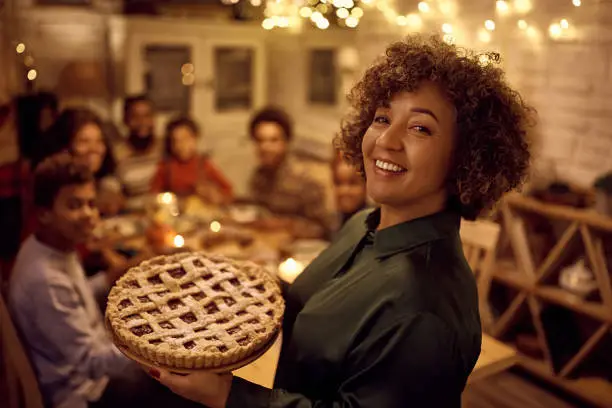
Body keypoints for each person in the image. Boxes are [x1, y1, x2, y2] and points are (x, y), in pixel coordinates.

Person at [146, 35, 533, 407]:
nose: (386, 140)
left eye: (420, 127)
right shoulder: (364, 224)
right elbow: (324, 299)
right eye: (382, 117)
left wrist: (225, 396)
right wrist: (243, 288)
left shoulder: (425, 309)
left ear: (466, 157)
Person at [8, 152, 201, 408]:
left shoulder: (54, 245)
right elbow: (92, 363)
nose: (89, 214)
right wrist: (160, 339)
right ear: (44, 213)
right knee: (196, 382)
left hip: (97, 361)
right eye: (74, 205)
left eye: (90, 203)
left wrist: (118, 271)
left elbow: (76, 297)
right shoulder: (44, 278)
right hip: (87, 393)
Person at [248, 107, 328, 239]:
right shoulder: (258, 177)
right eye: (260, 140)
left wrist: (283, 225)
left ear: (286, 142)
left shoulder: (306, 178)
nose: (265, 147)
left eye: (273, 140)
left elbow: (322, 229)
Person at [39, 107, 123, 216]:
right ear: (65, 146)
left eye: (99, 141)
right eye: (83, 141)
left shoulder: (100, 180)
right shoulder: (57, 187)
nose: (94, 149)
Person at [150, 116, 233, 203]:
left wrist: (216, 196)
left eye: (186, 139)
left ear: (195, 139)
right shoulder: (166, 166)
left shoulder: (203, 164)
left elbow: (228, 191)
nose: (181, 145)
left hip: (200, 213)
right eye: (175, 141)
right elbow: (153, 194)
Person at [114, 95, 161, 197]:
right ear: (125, 121)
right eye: (135, 117)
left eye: (147, 116)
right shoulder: (117, 154)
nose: (142, 122)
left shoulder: (165, 147)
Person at [331, 150, 368, 231]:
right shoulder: (333, 224)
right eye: (338, 183)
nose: (344, 191)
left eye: (353, 183)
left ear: (366, 185)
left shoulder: (371, 228)